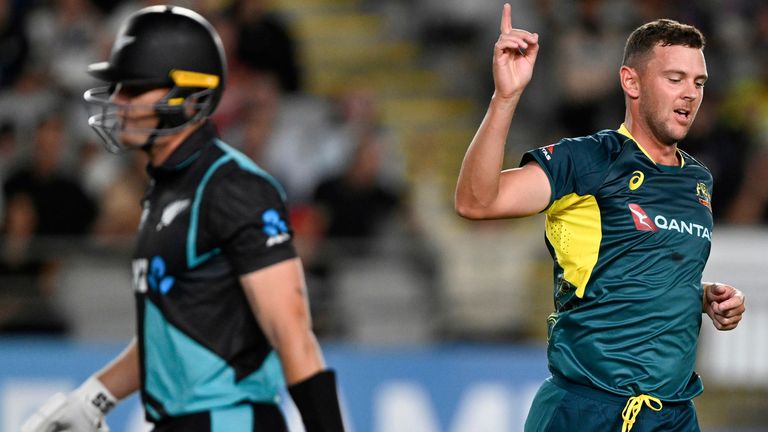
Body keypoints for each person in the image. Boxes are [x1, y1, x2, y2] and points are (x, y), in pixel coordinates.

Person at [21, 5, 344, 432]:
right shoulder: (171, 187)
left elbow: (292, 332)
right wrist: (94, 397)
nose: (118, 101)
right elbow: (175, 329)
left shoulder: (231, 186)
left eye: (134, 89)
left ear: (189, 96)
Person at [455, 4, 746, 432]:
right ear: (631, 81)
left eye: (698, 82)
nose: (691, 93)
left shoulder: (698, 181)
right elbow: (477, 202)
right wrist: (505, 97)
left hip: (672, 415)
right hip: (585, 409)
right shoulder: (589, 160)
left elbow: (642, 269)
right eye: (675, 79)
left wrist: (703, 297)